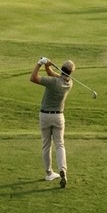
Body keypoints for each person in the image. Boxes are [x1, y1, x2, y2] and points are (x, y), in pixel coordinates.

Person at [30, 56, 74, 188]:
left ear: (61, 69)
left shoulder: (53, 82)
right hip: (58, 117)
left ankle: (49, 173)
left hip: (45, 115)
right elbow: (52, 74)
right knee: (60, 145)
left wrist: (39, 64)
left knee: (46, 145)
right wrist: (48, 65)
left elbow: (33, 78)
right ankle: (63, 171)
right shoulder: (69, 83)